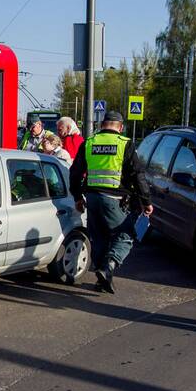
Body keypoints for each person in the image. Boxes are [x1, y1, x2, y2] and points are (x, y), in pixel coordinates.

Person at [69, 111, 154, 294]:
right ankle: (110, 264)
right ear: (120, 127)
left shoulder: (89, 143)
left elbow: (75, 173)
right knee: (126, 235)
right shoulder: (125, 144)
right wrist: (146, 201)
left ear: (102, 125)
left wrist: (77, 197)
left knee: (99, 239)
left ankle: (102, 279)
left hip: (91, 199)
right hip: (115, 200)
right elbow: (138, 175)